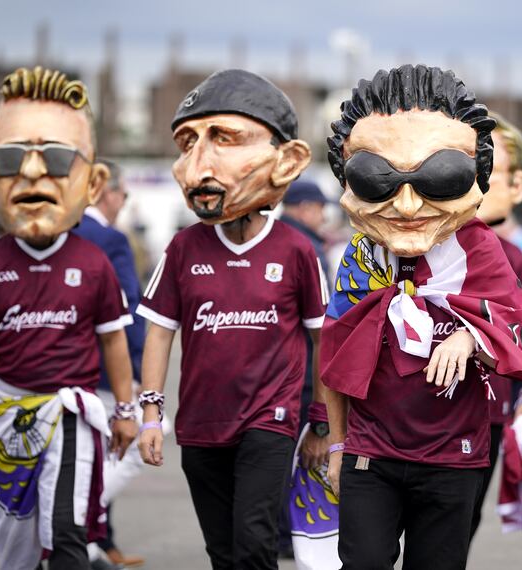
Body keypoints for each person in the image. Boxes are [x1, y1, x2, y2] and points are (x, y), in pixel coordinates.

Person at [322, 65, 522, 570]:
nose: (409, 203)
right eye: (377, 179)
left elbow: (516, 328)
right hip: (371, 451)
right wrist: (335, 444)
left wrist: (467, 337)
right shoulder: (361, 258)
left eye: (440, 176)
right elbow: (333, 353)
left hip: (452, 455)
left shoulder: (483, 252)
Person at [136, 69, 329, 570]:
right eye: (186, 143)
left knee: (255, 543)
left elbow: (322, 338)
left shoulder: (295, 250)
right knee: (222, 551)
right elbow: (159, 330)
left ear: (285, 161)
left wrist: (322, 421)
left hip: (270, 420)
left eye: (224, 138)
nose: (197, 165)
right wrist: (151, 413)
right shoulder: (183, 248)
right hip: (200, 424)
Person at [0, 66, 137, 570]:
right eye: (11, 159)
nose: (33, 173)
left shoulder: (94, 263)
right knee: (15, 535)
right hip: (8, 413)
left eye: (56, 158)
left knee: (65, 526)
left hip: (71, 413)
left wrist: (124, 408)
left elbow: (114, 340)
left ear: (93, 181)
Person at [470, 112, 522, 541]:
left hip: (490, 403)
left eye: (488, 170)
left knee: (461, 520)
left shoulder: (520, 251)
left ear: (517, 186)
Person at [73, 158, 146, 568]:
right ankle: (73, 518)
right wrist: (135, 370)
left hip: (64, 364)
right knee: (127, 449)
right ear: (106, 190)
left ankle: (98, 542)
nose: (123, 202)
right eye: (123, 193)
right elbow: (127, 310)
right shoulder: (110, 239)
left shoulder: (62, 231)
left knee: (93, 454)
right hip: (105, 366)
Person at [277, 179, 332, 557]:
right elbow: (323, 323)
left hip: (277, 371)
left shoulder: (277, 240)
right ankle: (286, 535)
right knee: (298, 454)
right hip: (302, 370)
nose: (323, 214)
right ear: (302, 207)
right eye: (318, 206)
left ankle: (280, 533)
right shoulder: (307, 248)